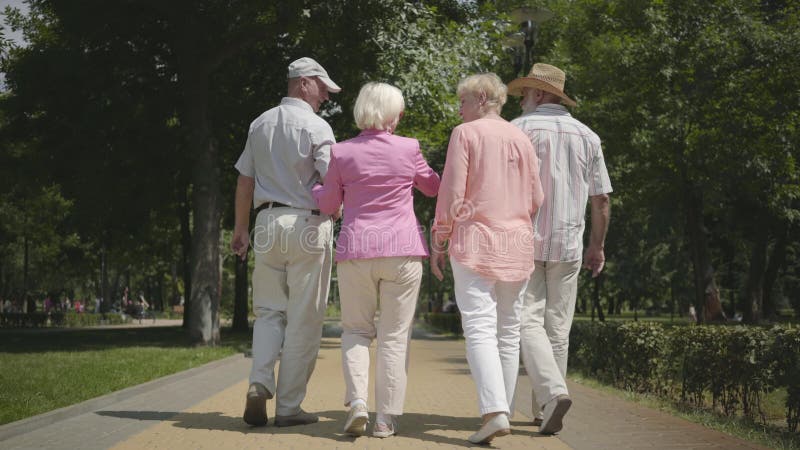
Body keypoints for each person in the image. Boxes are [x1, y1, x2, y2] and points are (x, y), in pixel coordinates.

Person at [312, 82, 440, 438]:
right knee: (395, 336)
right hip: (402, 250)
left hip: (356, 251)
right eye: (398, 111)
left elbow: (326, 205)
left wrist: (315, 189)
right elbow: (432, 187)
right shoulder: (409, 148)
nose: (400, 118)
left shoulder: (341, 152)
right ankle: (385, 419)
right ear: (390, 114)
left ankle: (356, 405)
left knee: (355, 331)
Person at [431, 73, 544, 445]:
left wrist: (439, 238)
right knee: (508, 331)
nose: (459, 108)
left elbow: (451, 194)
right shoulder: (521, 137)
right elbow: (536, 199)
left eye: (462, 101)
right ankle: (503, 411)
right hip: (518, 243)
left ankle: (494, 412)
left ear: (481, 98)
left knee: (479, 327)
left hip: (476, 242)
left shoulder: (465, 134)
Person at [231, 56, 341, 428]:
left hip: (266, 222)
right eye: (323, 88)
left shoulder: (258, 124)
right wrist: (338, 210)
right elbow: (331, 180)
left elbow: (245, 180)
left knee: (267, 312)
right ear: (304, 83)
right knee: (304, 319)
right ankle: (289, 407)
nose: (325, 97)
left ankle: (259, 383)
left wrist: (240, 229)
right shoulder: (317, 126)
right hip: (307, 223)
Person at [507, 63, 612, 434]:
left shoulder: (517, 130)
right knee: (558, 328)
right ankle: (544, 407)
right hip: (569, 241)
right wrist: (596, 247)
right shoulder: (588, 136)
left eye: (524, 94)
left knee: (525, 320)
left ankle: (551, 397)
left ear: (538, 94)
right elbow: (601, 200)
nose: (520, 100)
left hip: (524, 239)